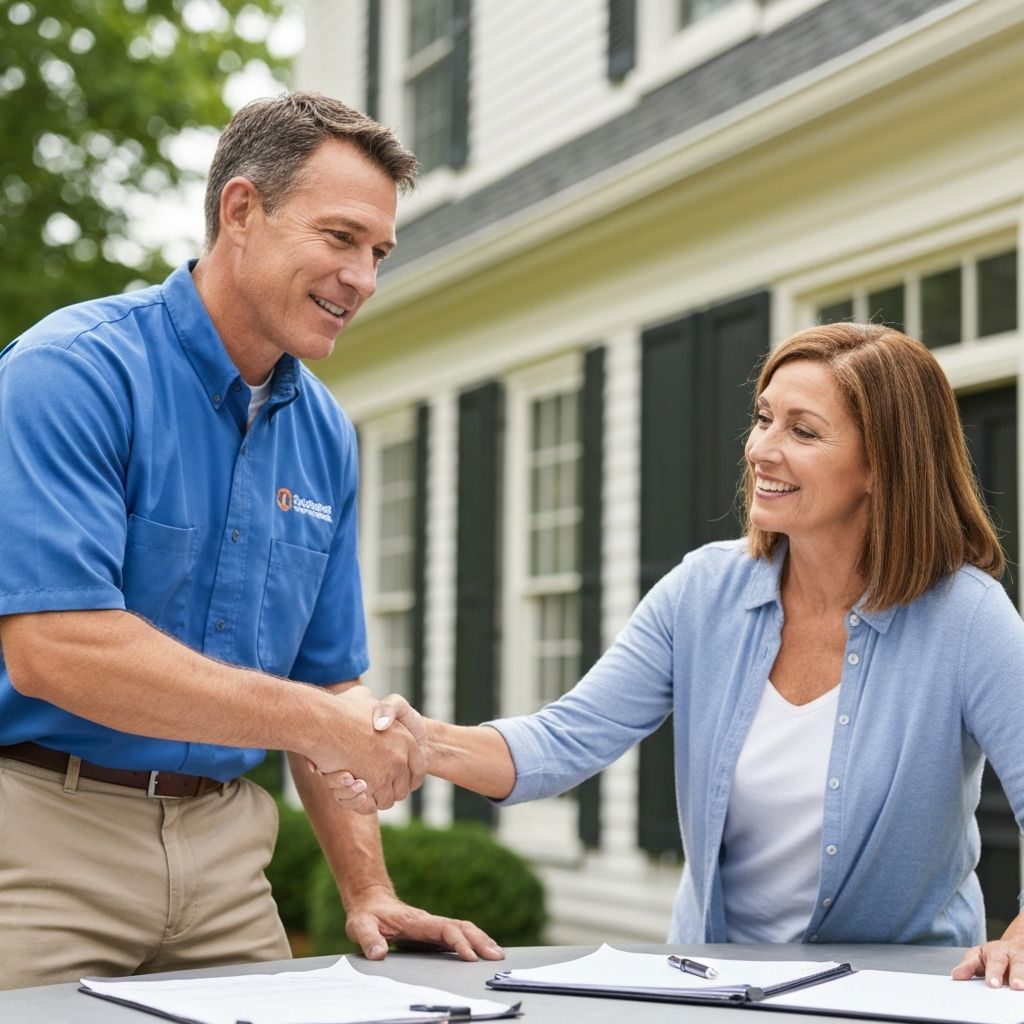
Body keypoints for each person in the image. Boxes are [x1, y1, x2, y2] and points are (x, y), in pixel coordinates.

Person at [339, 323, 1024, 987]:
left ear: (881, 465)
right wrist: (423, 742)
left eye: (803, 431)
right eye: (763, 419)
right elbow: (566, 738)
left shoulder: (965, 616)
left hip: (899, 991)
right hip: (714, 985)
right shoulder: (702, 592)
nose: (761, 449)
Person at [0, 92, 502, 991]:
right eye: (340, 238)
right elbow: (55, 647)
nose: (364, 279)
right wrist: (320, 720)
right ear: (241, 211)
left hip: (230, 856)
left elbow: (328, 682)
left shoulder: (326, 435)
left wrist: (369, 889)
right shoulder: (70, 374)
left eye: (379, 253)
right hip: (42, 838)